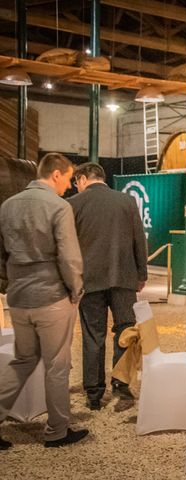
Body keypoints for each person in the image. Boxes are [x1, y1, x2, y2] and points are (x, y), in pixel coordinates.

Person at [0, 153, 88, 449]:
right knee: (57, 365)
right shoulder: (58, 207)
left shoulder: (7, 206)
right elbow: (69, 256)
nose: (68, 186)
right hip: (51, 297)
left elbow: (2, 254)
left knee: (23, 360)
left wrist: (8, 282)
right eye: (67, 179)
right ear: (55, 175)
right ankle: (57, 431)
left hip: (19, 297)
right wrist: (75, 288)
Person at [68, 163, 148, 411]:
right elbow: (139, 239)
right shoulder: (126, 201)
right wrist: (141, 273)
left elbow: (68, 245)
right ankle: (122, 387)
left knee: (94, 335)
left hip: (89, 281)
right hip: (124, 278)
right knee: (125, 333)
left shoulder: (73, 204)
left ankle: (93, 393)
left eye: (76, 181)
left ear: (82, 179)